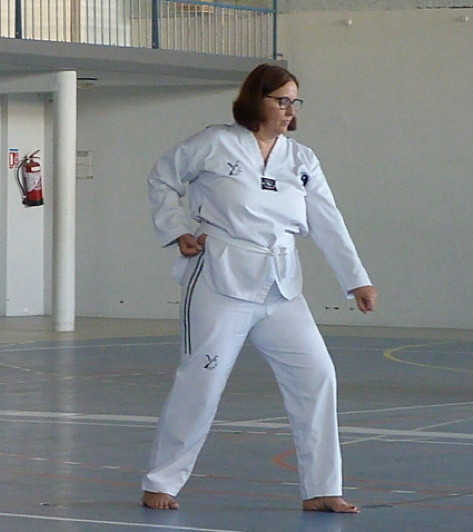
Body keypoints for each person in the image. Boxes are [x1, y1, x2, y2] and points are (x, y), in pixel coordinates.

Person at [141, 64, 377, 513]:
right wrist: (177, 229)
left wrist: (356, 279)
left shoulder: (301, 159)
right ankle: (162, 481)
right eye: (281, 100)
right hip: (220, 280)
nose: (290, 110)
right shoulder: (214, 143)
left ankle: (321, 488)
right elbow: (161, 179)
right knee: (202, 381)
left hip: (281, 288)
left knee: (318, 376)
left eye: (294, 102)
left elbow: (327, 219)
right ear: (256, 100)